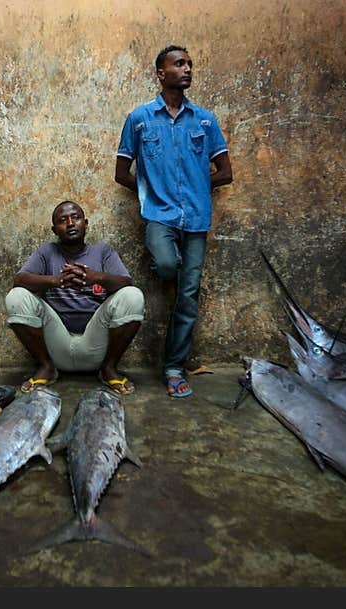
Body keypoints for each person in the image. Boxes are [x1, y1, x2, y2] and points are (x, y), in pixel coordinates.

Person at [115, 44, 233, 398]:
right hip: (159, 215)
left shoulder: (205, 120)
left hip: (196, 219)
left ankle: (174, 367)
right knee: (167, 266)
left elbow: (225, 172)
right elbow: (122, 171)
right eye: (179, 64)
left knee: (188, 296)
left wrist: (199, 184)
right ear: (161, 73)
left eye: (190, 64)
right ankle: (175, 271)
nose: (187, 69)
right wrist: (151, 189)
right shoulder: (139, 119)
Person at [5, 200, 145, 394]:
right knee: (16, 296)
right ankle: (46, 368)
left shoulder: (102, 252)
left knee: (133, 295)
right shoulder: (47, 252)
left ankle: (108, 369)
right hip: (57, 346)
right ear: (55, 230)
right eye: (63, 220)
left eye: (76, 218)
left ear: (86, 224)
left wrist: (97, 277)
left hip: (96, 345)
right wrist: (56, 281)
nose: (70, 223)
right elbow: (19, 280)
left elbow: (126, 283)